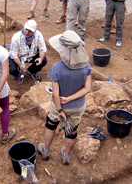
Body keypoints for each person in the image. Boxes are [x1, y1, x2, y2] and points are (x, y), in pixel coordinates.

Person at [38, 30, 92, 165]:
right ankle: (66, 156)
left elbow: (56, 94)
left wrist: (60, 109)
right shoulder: (87, 66)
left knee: (51, 125)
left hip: (58, 105)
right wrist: (70, 98)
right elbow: (87, 88)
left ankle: (45, 150)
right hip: (78, 106)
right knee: (71, 130)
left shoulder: (57, 68)